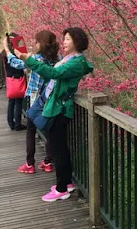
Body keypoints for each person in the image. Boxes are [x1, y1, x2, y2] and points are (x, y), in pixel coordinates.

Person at [16, 27, 93, 202]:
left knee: (59, 150)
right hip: (58, 107)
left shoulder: (75, 63)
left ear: (76, 42)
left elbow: (53, 73)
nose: (63, 42)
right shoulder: (70, 60)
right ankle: (67, 183)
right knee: (61, 148)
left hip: (60, 110)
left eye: (67, 39)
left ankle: (61, 189)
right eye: (64, 39)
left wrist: (29, 60)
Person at [3, 30, 60, 171]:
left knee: (30, 130)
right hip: (50, 99)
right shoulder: (57, 58)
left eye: (37, 42)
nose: (35, 44)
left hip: (35, 99)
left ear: (42, 43)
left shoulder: (37, 59)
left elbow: (17, 63)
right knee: (48, 131)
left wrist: (7, 49)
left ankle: (30, 164)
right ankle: (48, 161)